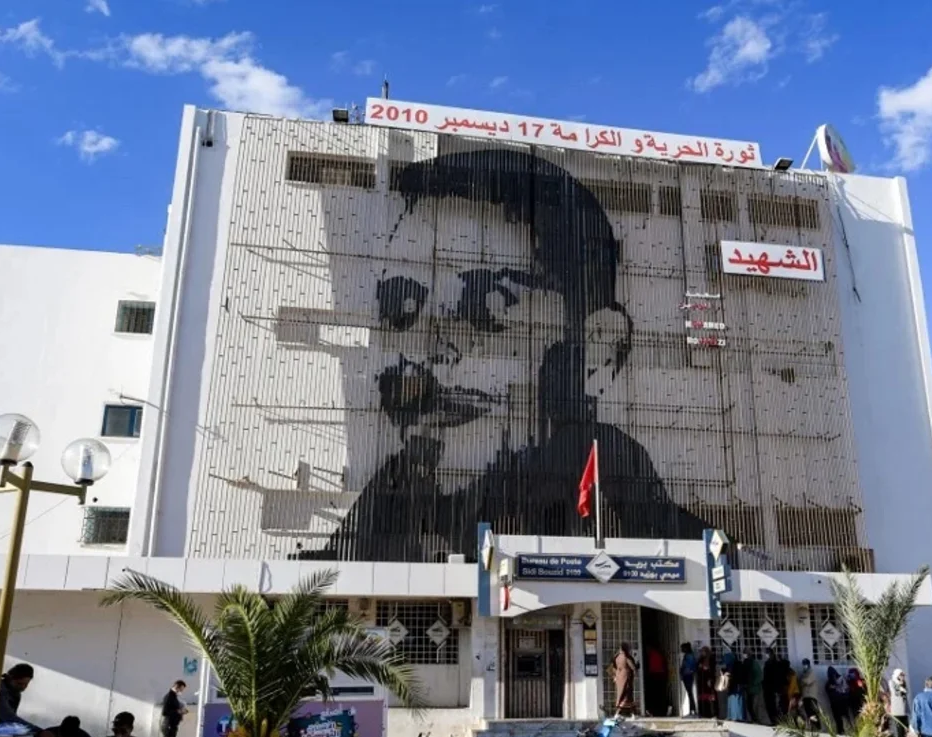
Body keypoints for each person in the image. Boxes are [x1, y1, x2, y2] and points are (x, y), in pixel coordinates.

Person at [296, 149, 712, 563]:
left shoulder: (617, 475)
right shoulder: (391, 495)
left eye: (484, 312)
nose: (426, 360)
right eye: (404, 313)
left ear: (598, 354)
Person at [612, 643, 637, 717]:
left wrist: (615, 676)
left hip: (619, 678)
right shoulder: (626, 657)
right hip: (626, 678)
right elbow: (632, 667)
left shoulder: (616, 657)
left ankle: (633, 714)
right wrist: (635, 670)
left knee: (625, 696)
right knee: (625, 696)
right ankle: (617, 713)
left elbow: (613, 668)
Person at [887, 669, 910, 737]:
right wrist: (901, 687)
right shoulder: (892, 682)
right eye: (901, 675)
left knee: (904, 726)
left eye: (903, 675)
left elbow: (906, 692)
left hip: (903, 707)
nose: (902, 677)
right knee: (897, 726)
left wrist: (902, 687)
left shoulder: (904, 683)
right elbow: (895, 693)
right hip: (896, 708)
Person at [644, 642, 668, 716]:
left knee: (656, 694)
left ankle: (657, 711)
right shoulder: (658, 654)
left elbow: (652, 667)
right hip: (660, 675)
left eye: (647, 649)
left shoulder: (653, 655)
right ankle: (660, 710)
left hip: (656, 675)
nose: (646, 651)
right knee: (659, 694)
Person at [799, 659, 821, 730]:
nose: (804, 666)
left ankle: (817, 727)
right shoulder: (804, 673)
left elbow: (807, 681)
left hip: (811, 696)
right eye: (803, 664)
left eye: (805, 664)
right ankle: (813, 727)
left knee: (813, 712)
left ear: (808, 664)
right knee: (808, 713)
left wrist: (802, 680)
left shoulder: (811, 672)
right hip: (805, 696)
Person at [696, 646, 717, 719]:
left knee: (710, 698)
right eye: (702, 651)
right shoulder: (701, 659)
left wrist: (710, 678)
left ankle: (711, 713)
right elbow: (698, 667)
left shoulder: (711, 659)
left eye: (704, 651)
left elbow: (712, 669)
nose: (702, 653)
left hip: (708, 680)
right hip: (702, 681)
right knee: (702, 697)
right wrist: (700, 666)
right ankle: (703, 713)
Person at [826, 667, 849, 734]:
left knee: (842, 718)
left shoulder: (840, 679)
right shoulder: (829, 684)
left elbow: (846, 689)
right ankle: (842, 731)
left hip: (840, 701)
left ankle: (843, 731)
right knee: (839, 718)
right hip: (837, 702)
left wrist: (835, 687)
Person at [678, 643, 698, 718]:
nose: (681, 650)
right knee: (690, 693)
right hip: (687, 676)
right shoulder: (687, 656)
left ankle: (692, 711)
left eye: (682, 648)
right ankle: (692, 710)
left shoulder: (689, 656)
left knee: (690, 694)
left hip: (688, 676)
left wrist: (684, 672)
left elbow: (690, 667)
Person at [746, 650, 765, 724]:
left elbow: (760, 676)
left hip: (755, 689)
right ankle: (753, 719)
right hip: (749, 688)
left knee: (754, 705)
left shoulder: (754, 664)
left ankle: (757, 720)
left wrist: (753, 683)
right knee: (749, 705)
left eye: (746, 653)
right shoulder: (746, 663)